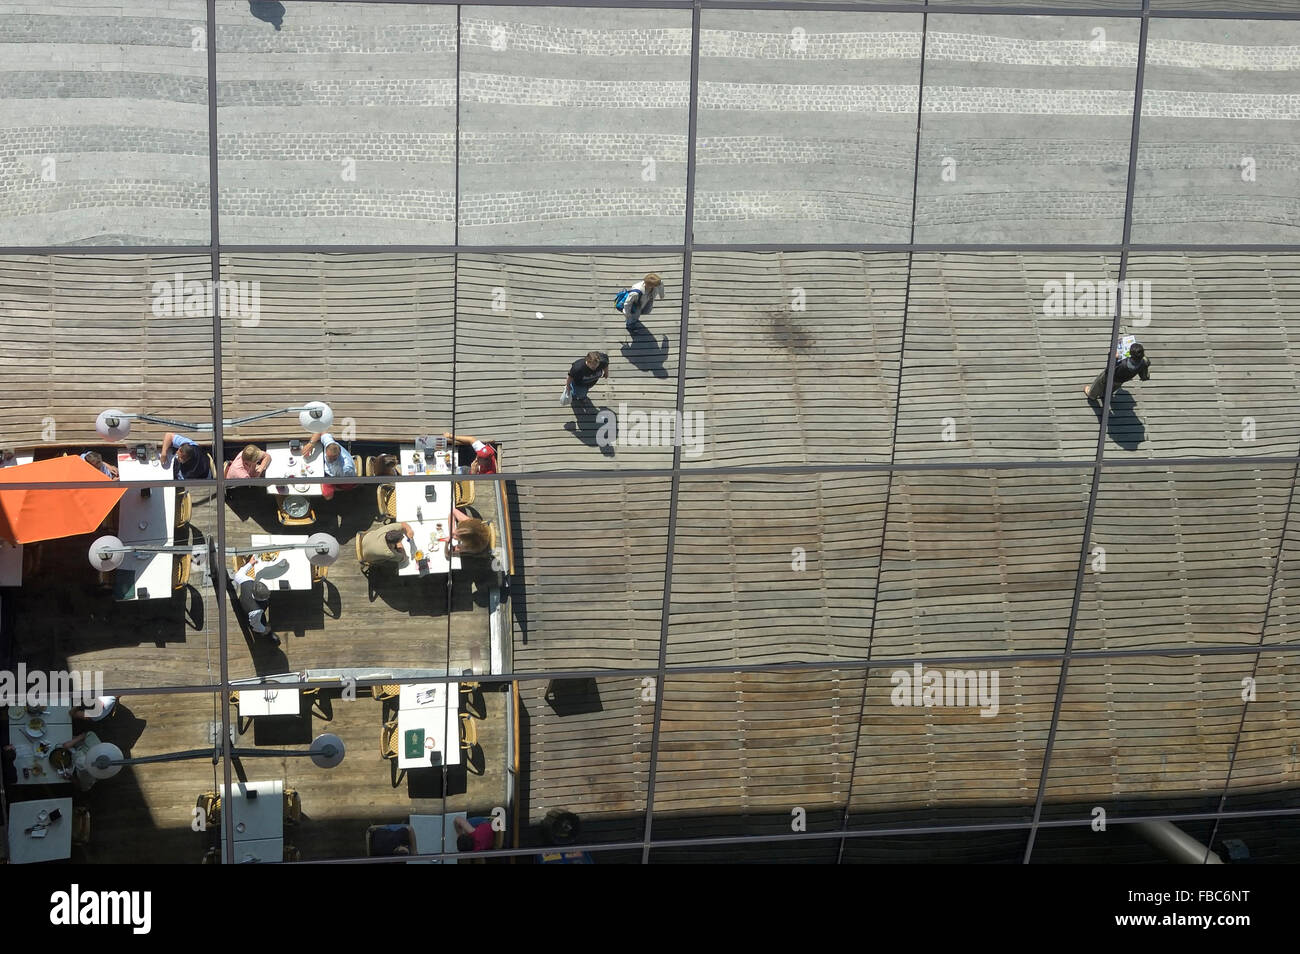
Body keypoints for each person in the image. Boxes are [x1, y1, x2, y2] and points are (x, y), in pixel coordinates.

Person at [233, 555, 279, 646]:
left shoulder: (247, 580)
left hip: (244, 600)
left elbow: (238, 575)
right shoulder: (256, 611)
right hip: (249, 611)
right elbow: (255, 624)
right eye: (266, 597)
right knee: (262, 622)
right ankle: (269, 636)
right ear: (259, 598)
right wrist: (265, 629)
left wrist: (250, 564)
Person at [1084, 340, 1151, 402]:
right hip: (1122, 380)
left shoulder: (1123, 364)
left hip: (1112, 376)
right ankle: (1104, 395)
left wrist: (1113, 357)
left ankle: (1092, 395)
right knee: (1114, 387)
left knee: (1099, 383)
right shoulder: (1145, 362)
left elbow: (1110, 368)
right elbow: (1144, 374)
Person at [302, 432, 357, 500]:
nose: (330, 460)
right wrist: (310, 444)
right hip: (330, 473)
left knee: (328, 495)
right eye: (328, 457)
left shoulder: (345, 469)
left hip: (339, 478)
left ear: (338, 454)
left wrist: (323, 480)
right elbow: (320, 432)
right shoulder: (330, 443)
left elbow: (349, 481)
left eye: (334, 458)